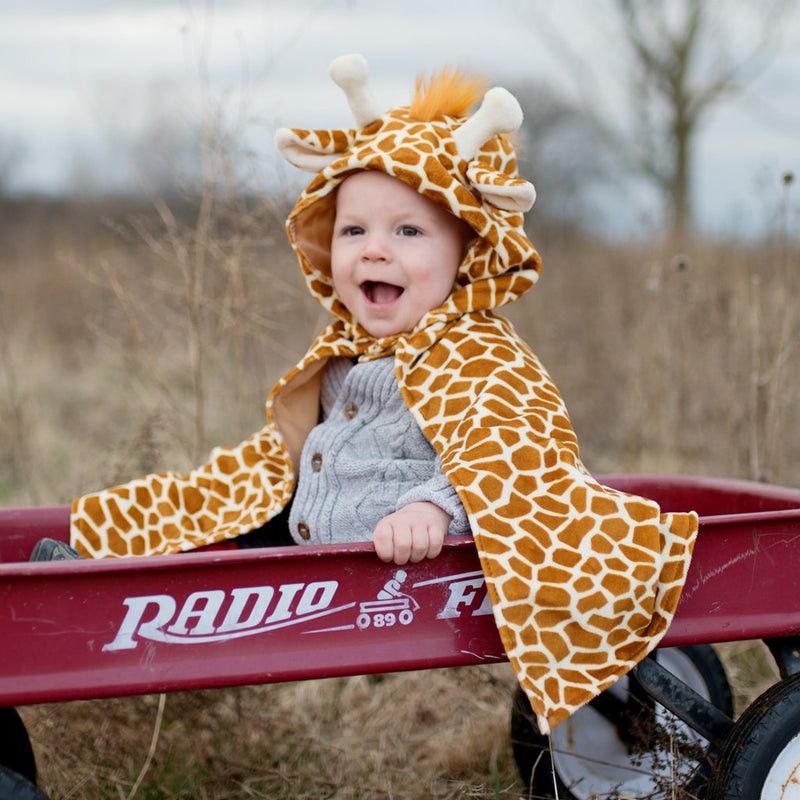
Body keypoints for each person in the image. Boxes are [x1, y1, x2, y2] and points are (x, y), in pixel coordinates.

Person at [35, 55, 699, 735]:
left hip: (375, 555)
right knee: (206, 508)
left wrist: (434, 508)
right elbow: (310, 440)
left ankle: (104, 593)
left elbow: (516, 463)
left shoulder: (479, 355)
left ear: (466, 251)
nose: (374, 250)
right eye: (354, 231)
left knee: (218, 566)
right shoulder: (348, 345)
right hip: (303, 527)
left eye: (408, 231)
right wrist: (271, 462)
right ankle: (97, 571)